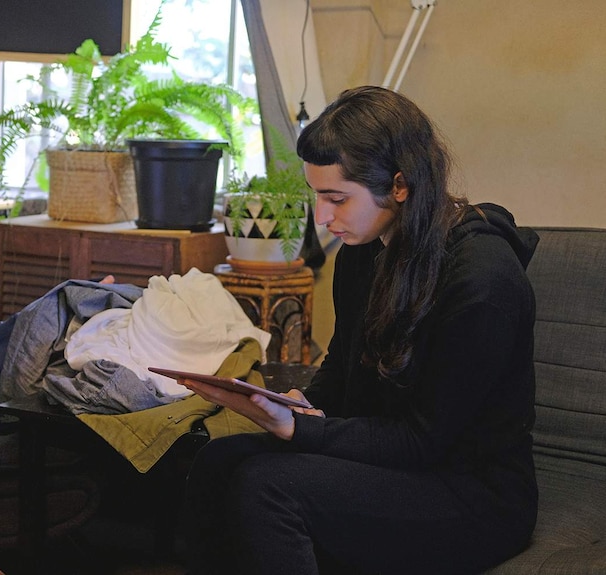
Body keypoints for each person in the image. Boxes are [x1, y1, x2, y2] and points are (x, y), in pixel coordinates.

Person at [180, 86, 539, 575]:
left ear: (399, 185)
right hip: (399, 461)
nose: (323, 218)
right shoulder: (362, 251)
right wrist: (302, 407)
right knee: (217, 462)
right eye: (317, 196)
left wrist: (304, 430)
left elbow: (423, 441)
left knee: (268, 485)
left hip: (471, 491)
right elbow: (343, 362)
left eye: (336, 198)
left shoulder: (483, 281)